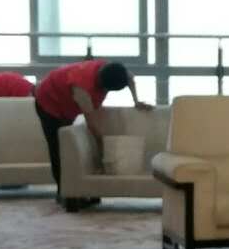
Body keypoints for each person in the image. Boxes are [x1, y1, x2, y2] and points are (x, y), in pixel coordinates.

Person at [33, 60, 149, 196]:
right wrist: (102, 149)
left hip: (66, 99)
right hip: (48, 100)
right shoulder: (82, 89)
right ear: (101, 84)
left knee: (67, 145)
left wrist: (136, 101)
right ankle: (65, 194)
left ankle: (83, 192)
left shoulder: (115, 70)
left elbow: (130, 79)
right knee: (59, 148)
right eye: (105, 90)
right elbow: (92, 124)